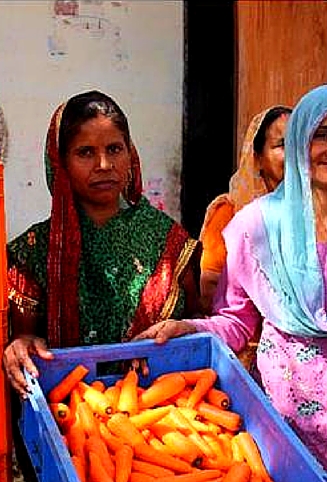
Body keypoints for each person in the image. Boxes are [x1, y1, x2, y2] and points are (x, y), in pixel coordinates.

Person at [136, 85, 327, 482]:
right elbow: (236, 323)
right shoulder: (255, 226)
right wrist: (189, 327)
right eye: (322, 135)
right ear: (298, 142)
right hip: (284, 424)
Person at [4, 90, 199, 395]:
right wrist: (22, 346)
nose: (104, 164)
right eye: (85, 152)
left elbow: (196, 329)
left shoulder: (170, 242)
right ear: (60, 163)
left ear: (130, 154)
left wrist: (183, 330)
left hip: (161, 411)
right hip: (69, 411)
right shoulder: (35, 251)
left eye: (114, 149)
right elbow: (24, 339)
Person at [198, 105, 291, 313]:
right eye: (283, 145)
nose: (294, 155)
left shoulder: (316, 212)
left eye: (300, 145)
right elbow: (209, 287)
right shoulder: (229, 214)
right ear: (257, 157)